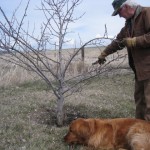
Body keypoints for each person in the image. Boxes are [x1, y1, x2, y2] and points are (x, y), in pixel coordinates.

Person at [97, 0, 150, 121]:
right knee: (140, 104)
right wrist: (104, 53)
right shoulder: (128, 25)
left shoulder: (147, 13)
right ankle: (140, 133)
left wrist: (135, 41)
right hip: (140, 71)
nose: (120, 16)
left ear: (126, 6)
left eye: (119, 12)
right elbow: (117, 42)